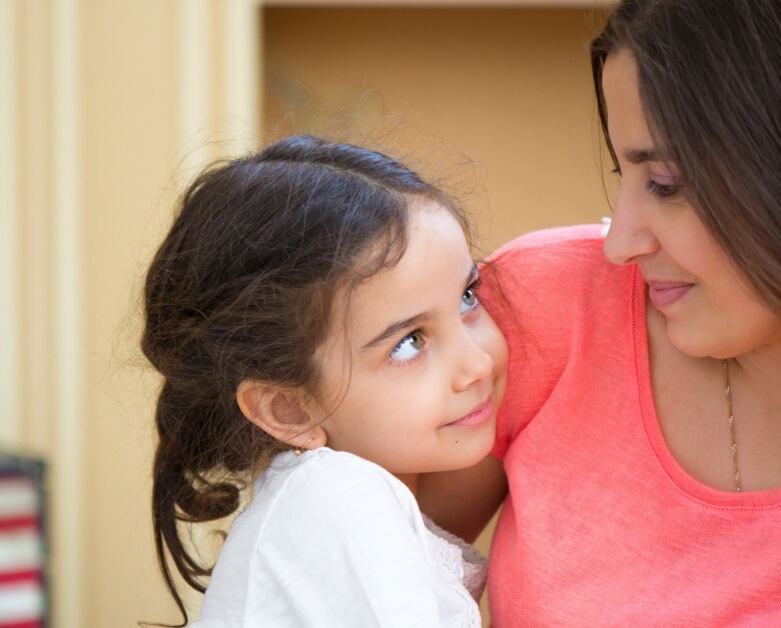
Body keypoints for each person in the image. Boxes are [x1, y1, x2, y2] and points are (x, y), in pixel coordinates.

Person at [417, 0, 781, 624]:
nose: (621, 243)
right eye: (625, 171)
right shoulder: (540, 309)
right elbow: (360, 573)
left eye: (665, 183)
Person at [140, 134, 508, 627]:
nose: (478, 363)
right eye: (408, 343)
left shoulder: (336, 497)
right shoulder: (341, 500)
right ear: (289, 409)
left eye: (467, 297)